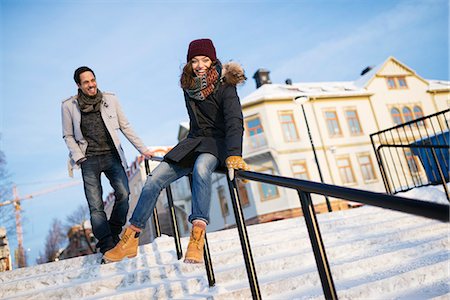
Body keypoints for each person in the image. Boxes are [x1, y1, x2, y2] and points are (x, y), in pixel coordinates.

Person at [104, 38, 250, 263]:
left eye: (204, 60)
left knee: (202, 168)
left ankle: (197, 237)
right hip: (194, 141)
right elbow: (196, 123)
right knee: (154, 179)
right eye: (194, 60)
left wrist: (234, 154)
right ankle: (130, 238)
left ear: (213, 61)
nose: (199, 65)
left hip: (217, 143)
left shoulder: (225, 85)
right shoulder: (189, 86)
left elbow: (234, 120)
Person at [61, 66, 153, 254]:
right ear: (79, 85)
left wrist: (143, 150)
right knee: (95, 205)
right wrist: (79, 157)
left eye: (93, 80)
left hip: (112, 155)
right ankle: (105, 242)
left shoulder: (110, 99)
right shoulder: (68, 106)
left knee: (124, 195)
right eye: (86, 82)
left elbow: (125, 126)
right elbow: (68, 135)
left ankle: (113, 231)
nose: (91, 84)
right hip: (89, 159)